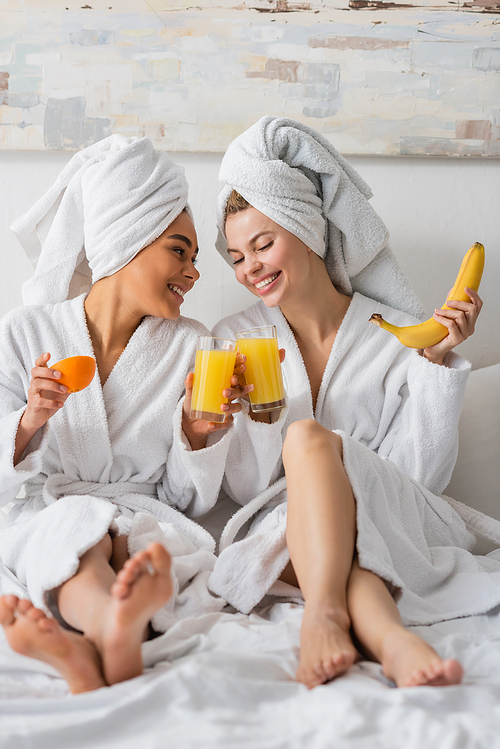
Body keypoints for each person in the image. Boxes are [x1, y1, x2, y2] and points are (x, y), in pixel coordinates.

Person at [204, 116, 500, 690]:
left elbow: (420, 477)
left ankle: (322, 615)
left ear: (308, 229)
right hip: (290, 530)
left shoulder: (398, 333)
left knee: (309, 440)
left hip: (397, 516)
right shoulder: (233, 338)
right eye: (237, 257)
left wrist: (435, 365)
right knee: (328, 527)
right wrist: (258, 420)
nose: (251, 268)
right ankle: (392, 639)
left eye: (264, 244)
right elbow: (244, 489)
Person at [0, 135, 242, 694]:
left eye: (195, 258)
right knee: (74, 531)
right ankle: (113, 627)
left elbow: (186, 499)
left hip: (139, 517)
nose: (193, 273)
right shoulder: (26, 332)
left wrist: (200, 433)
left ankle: (86, 648)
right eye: (179, 250)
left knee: (132, 544)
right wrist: (30, 420)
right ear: (129, 237)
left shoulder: (194, 346)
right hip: (48, 511)